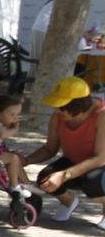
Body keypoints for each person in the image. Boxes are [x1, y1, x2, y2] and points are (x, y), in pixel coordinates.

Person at [25, 77, 105, 227]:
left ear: (78, 106)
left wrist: (63, 175)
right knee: (45, 177)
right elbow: (49, 149)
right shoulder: (58, 117)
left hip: (100, 166)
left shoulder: (102, 115)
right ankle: (69, 202)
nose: (57, 111)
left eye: (62, 107)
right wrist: (25, 160)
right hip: (75, 161)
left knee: (92, 180)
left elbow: (100, 158)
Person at [0, 95, 33, 190]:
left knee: (16, 156)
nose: (16, 118)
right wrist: (14, 130)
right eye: (12, 115)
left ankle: (26, 183)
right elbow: (2, 134)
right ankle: (14, 186)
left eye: (17, 115)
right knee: (13, 158)